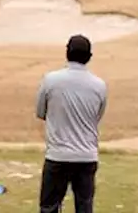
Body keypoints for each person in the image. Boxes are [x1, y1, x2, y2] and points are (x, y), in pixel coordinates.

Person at [36, 34, 109, 213]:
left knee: (49, 206)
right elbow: (96, 116)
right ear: (89, 57)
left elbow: (41, 112)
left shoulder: (50, 80)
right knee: (84, 207)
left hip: (58, 155)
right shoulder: (99, 85)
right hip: (87, 156)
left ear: (67, 53)